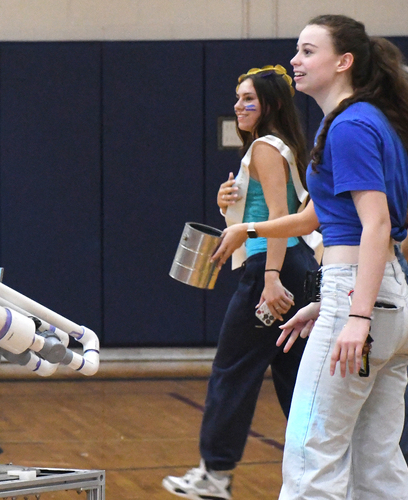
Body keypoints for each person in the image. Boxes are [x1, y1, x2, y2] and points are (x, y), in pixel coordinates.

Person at [211, 14, 408, 499]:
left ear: (344, 61)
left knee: (310, 454)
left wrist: (354, 315)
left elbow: (377, 224)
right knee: (377, 463)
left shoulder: (350, 126)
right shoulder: (360, 120)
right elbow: (318, 219)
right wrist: (250, 231)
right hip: (385, 300)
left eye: (308, 50)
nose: (295, 60)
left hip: (362, 298)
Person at [162, 65, 318, 500]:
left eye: (249, 99)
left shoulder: (267, 148)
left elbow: (275, 221)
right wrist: (227, 204)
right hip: (297, 267)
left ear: (273, 105)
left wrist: (269, 278)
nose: (239, 106)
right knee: (295, 379)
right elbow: (276, 212)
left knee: (232, 370)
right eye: (237, 98)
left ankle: (215, 475)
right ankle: (328, 466)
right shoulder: (276, 148)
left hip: (275, 269)